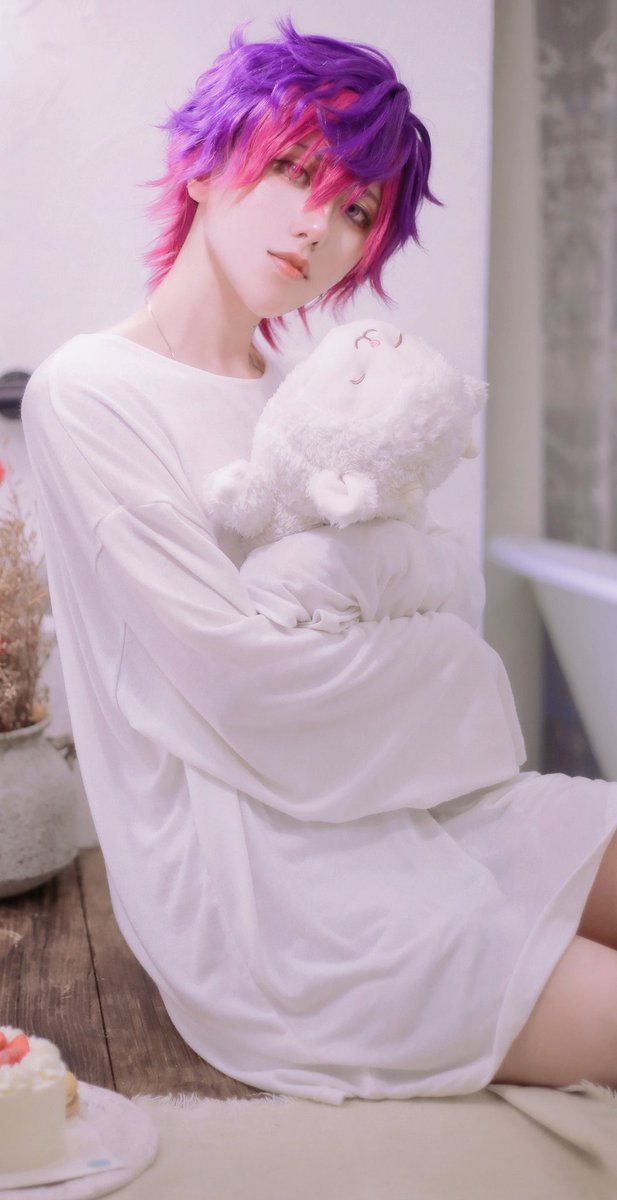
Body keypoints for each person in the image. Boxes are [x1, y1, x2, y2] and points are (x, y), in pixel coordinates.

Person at [21, 19, 617, 1104]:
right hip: (264, 876)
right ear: (203, 162)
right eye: (294, 170)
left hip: (411, 797)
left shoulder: (318, 401)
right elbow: (248, 683)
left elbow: (426, 584)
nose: (318, 226)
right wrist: (457, 665)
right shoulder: (89, 392)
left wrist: (418, 638)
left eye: (355, 210)